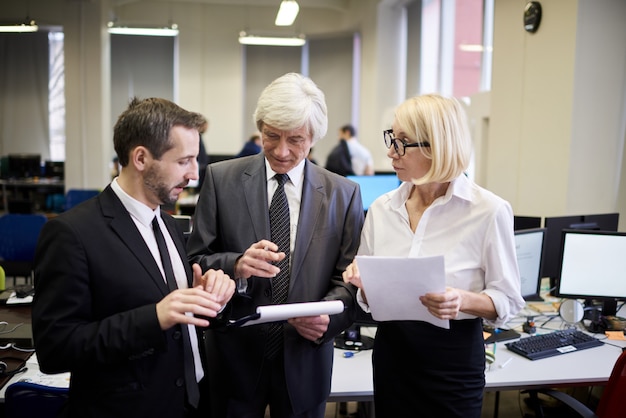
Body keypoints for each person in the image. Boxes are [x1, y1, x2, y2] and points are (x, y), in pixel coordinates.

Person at [32, 97, 236, 418]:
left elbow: (180, 321)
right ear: (140, 158)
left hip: (194, 404)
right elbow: (56, 349)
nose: (194, 174)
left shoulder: (168, 223)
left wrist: (205, 299)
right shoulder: (72, 234)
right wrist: (153, 317)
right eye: (184, 161)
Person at [187, 72, 364, 418]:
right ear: (260, 128)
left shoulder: (343, 194)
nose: (281, 151)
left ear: (313, 137)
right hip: (234, 357)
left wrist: (327, 317)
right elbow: (194, 259)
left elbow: (350, 279)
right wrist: (235, 265)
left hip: (305, 359)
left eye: (295, 140)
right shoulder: (222, 180)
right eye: (271, 136)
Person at [342, 94, 525, 418]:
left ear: (436, 147)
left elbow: (507, 300)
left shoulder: (487, 211)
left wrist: (462, 300)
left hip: (452, 364)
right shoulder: (383, 209)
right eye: (392, 139)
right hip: (392, 357)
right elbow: (368, 295)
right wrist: (362, 282)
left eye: (401, 143)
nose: (389, 152)